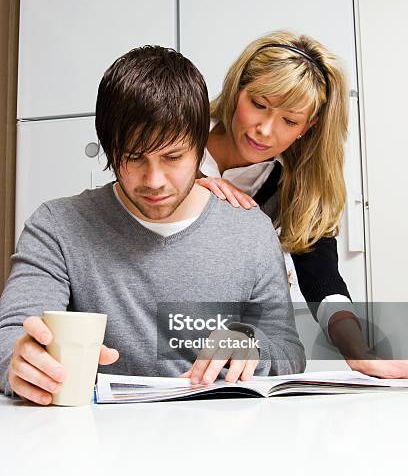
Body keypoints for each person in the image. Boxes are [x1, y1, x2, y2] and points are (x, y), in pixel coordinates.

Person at [0, 45, 305, 405]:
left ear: (199, 147)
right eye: (133, 158)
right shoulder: (57, 227)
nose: (155, 180)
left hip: (218, 442)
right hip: (94, 443)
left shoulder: (250, 232)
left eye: (173, 157)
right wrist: (19, 365)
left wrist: (253, 345)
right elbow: (12, 338)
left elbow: (289, 352)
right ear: (109, 150)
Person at [196, 30, 408, 378]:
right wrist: (191, 188)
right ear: (237, 90)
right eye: (259, 105)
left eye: (289, 121)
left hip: (231, 349)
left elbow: (320, 273)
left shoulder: (290, 181)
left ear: (307, 128)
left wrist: (359, 351)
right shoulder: (180, 137)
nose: (265, 129)